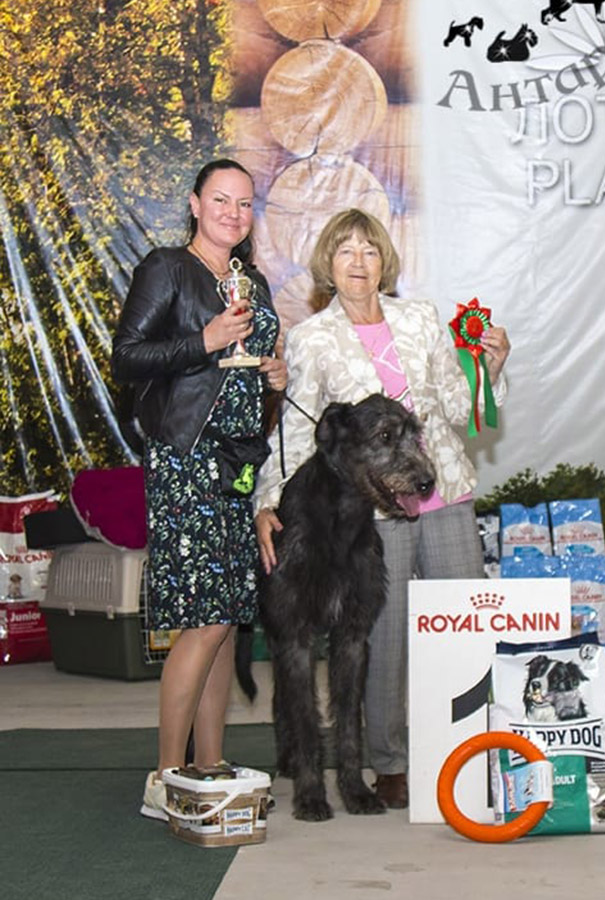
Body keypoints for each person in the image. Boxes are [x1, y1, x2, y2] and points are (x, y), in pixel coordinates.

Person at [254, 208, 510, 810]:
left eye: (369, 251)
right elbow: (295, 431)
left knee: (467, 632)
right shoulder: (312, 337)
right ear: (328, 264)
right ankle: (391, 764)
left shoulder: (420, 320)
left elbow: (452, 404)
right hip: (374, 513)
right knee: (382, 642)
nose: (358, 263)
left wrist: (491, 371)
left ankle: (474, 750)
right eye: (345, 251)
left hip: (445, 492)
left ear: (384, 261)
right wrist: (269, 500)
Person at [111, 158, 287, 820]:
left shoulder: (255, 282)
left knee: (222, 619)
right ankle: (164, 777)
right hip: (186, 459)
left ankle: (207, 765)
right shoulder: (167, 268)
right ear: (194, 203)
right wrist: (203, 339)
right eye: (221, 200)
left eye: (244, 205)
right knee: (207, 617)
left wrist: (273, 374)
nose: (233, 214)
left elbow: (249, 370)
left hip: (238, 462)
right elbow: (126, 358)